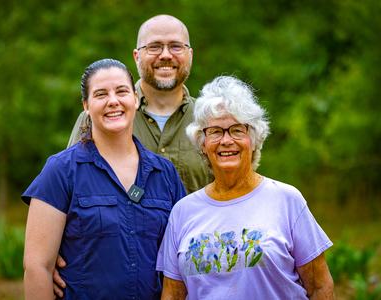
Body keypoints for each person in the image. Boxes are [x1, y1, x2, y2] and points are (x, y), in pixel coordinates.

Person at [157, 76, 334, 299]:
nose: (226, 140)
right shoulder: (183, 212)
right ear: (202, 143)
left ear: (254, 138)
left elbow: (319, 286)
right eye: (215, 131)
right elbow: (172, 295)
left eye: (237, 130)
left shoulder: (287, 200)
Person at [22, 58, 186, 299]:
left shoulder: (165, 173)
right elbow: (37, 267)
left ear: (135, 99)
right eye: (101, 94)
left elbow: (183, 257)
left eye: (121, 91)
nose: (113, 101)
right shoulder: (60, 170)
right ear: (86, 105)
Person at [67, 14, 212, 194]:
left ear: (189, 55)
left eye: (176, 46)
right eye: (154, 47)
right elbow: (70, 188)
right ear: (137, 56)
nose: (165, 55)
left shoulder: (211, 121)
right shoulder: (98, 118)